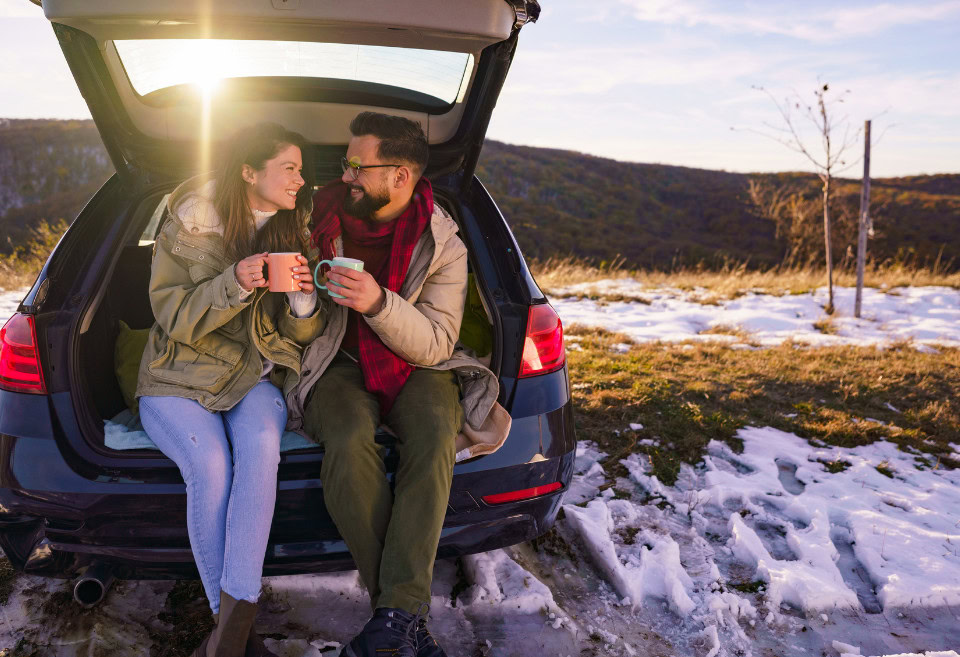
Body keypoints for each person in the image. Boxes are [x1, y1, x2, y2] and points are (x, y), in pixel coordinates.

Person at [286, 112, 511, 657]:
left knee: (436, 435)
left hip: (417, 364)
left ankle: (394, 616)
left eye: (359, 166)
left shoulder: (445, 245)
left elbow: (435, 343)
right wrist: (302, 304)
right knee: (345, 436)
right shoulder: (313, 222)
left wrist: (378, 304)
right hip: (332, 359)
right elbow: (297, 328)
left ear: (401, 177)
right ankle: (403, 616)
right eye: (346, 164)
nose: (347, 177)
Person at [136, 123, 325, 657]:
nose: (300, 179)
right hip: (178, 377)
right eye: (290, 167)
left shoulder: (295, 231)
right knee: (211, 467)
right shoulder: (191, 227)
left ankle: (228, 638)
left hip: (255, 375)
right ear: (249, 170)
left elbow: (302, 336)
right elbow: (173, 316)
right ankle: (235, 630)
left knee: (262, 451)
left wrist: (304, 306)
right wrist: (236, 282)